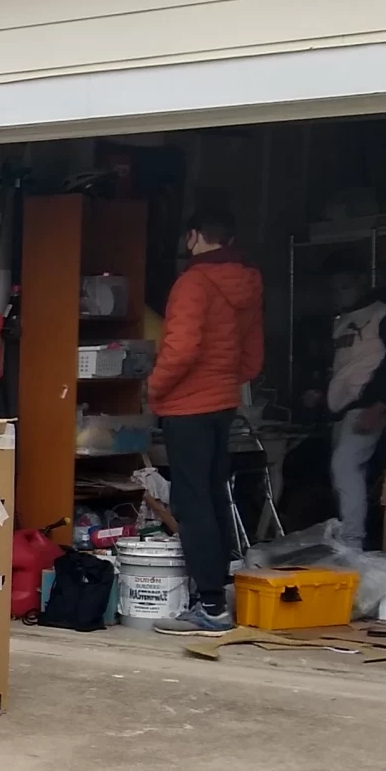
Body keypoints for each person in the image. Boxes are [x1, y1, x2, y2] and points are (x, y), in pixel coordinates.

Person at [145, 206, 263, 632]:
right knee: (214, 496)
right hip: (222, 403)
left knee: (191, 502)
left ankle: (210, 606)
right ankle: (220, 594)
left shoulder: (193, 282)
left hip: (186, 406)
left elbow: (181, 348)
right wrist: (226, 382)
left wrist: (155, 388)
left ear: (193, 236)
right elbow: (251, 355)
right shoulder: (248, 280)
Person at [312, 251, 386, 547]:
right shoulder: (341, 321)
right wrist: (322, 396)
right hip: (343, 410)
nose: (340, 294)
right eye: (334, 289)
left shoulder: (384, 315)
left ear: (362, 281)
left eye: (345, 286)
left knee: (345, 466)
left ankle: (352, 543)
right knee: (341, 476)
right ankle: (347, 538)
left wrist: (380, 404)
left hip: (370, 407)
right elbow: (347, 367)